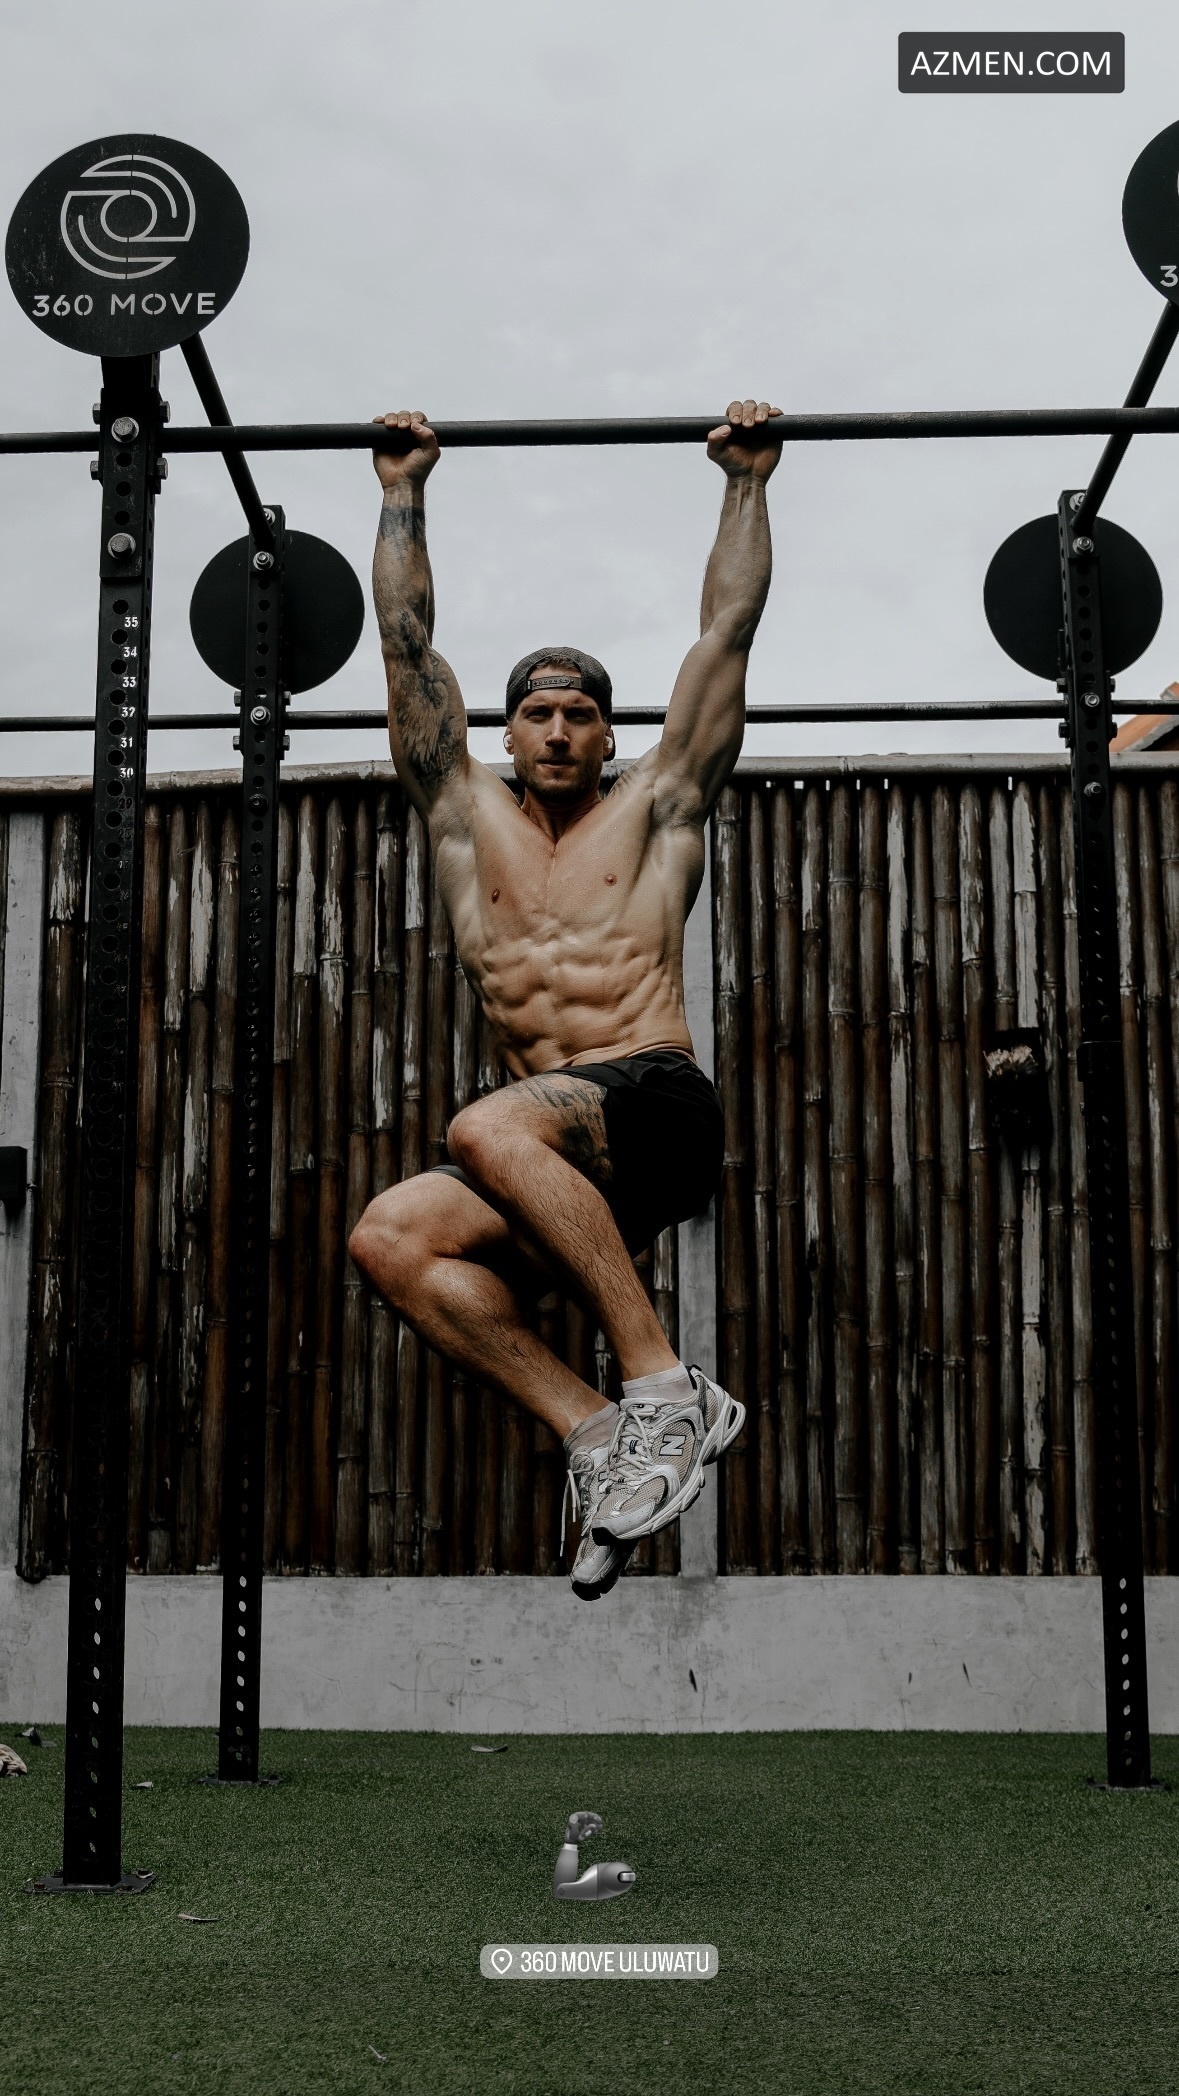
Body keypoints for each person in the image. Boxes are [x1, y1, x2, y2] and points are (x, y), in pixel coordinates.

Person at [348, 398, 783, 1599]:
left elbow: (728, 631)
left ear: (607, 734)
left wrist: (746, 481)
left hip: (653, 1096)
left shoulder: (660, 804)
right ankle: (598, 1431)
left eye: (580, 714)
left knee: (484, 1126)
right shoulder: (461, 815)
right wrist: (401, 490)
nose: (557, 730)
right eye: (537, 713)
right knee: (390, 1238)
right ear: (503, 730)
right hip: (558, 1157)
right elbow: (405, 645)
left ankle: (666, 1390)